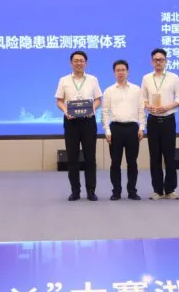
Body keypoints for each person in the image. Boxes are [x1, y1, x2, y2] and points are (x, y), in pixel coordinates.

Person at [55, 50, 102, 201]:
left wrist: (92, 109)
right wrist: (65, 111)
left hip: (88, 122)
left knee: (90, 157)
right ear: (71, 63)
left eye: (81, 61)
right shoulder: (64, 80)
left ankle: (91, 191)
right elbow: (59, 101)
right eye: (76, 61)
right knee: (72, 157)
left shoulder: (93, 79)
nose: (79, 63)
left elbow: (98, 99)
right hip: (71, 122)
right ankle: (75, 191)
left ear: (86, 63)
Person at [141, 48, 179, 200]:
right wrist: (148, 106)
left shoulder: (174, 77)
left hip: (168, 120)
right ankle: (157, 190)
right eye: (155, 60)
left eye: (161, 59)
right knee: (155, 156)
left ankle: (170, 189)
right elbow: (142, 99)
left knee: (170, 155)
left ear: (166, 61)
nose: (158, 62)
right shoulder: (146, 78)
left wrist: (167, 107)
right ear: (151, 62)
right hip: (153, 120)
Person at [102, 60, 145, 201]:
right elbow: (105, 112)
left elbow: (141, 110)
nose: (120, 72)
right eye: (118, 70)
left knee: (132, 162)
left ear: (128, 71)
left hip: (133, 128)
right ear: (114, 72)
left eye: (123, 70)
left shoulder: (136, 89)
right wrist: (107, 130)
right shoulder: (109, 91)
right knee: (115, 162)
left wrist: (142, 128)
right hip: (116, 128)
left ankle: (132, 191)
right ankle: (116, 191)